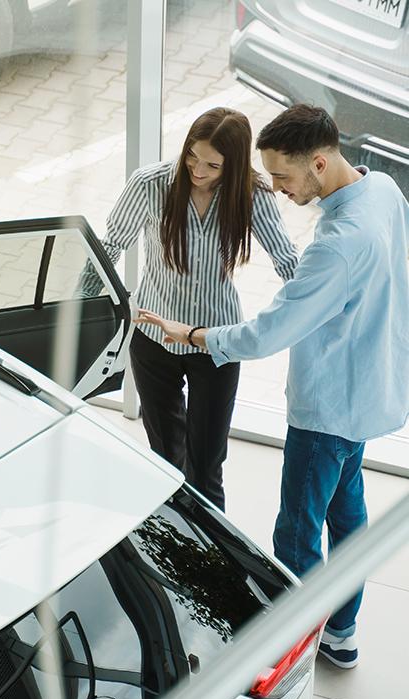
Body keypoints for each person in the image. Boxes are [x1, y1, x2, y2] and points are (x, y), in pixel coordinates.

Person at [138, 104, 409, 669]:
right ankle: (340, 629)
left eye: (283, 177)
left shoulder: (335, 244)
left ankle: (288, 649)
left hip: (327, 405)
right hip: (367, 391)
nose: (279, 191)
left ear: (317, 162)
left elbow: (268, 333)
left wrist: (192, 333)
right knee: (347, 516)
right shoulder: (382, 190)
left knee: (296, 533)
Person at [93, 107, 297, 511]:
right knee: (166, 460)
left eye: (212, 164)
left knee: (206, 466)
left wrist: (320, 309)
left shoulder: (251, 195)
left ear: (233, 165)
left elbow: (287, 259)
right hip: (152, 337)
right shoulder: (150, 184)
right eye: (192, 156)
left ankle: (215, 564)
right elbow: (109, 247)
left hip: (216, 344)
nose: (198, 170)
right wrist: (81, 308)